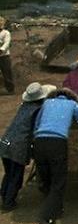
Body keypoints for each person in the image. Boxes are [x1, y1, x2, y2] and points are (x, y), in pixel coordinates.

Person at [32, 87, 78, 224]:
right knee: (58, 181)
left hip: (39, 142)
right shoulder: (72, 105)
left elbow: (37, 124)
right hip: (57, 143)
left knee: (46, 179)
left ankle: (55, 207)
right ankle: (48, 218)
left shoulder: (46, 104)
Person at [0, 82, 56, 212]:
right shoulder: (38, 110)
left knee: (9, 173)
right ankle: (8, 202)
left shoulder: (24, 106)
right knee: (16, 176)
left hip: (6, 140)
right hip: (18, 145)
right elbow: (36, 128)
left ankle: (4, 194)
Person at [0, 18, 13, 95]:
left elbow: (7, 43)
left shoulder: (6, 33)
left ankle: (10, 89)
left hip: (4, 56)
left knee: (7, 73)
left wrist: (1, 49)